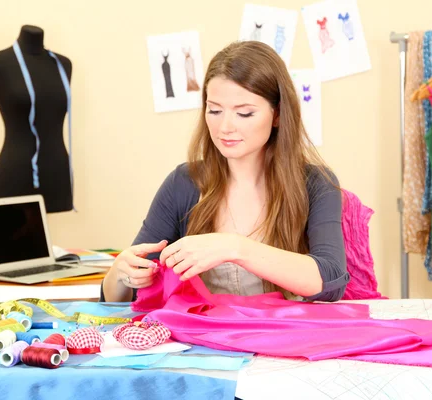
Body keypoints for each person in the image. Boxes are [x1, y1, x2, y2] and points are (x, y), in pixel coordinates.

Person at [101, 41, 349, 303]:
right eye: (215, 110)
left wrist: (234, 248)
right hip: (203, 342)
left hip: (284, 339)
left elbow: (331, 280)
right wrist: (120, 275)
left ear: (277, 115)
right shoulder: (183, 184)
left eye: (244, 113)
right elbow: (125, 298)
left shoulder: (316, 183)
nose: (225, 127)